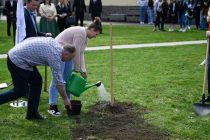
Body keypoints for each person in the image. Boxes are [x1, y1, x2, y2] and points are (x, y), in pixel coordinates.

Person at [0, 37, 76, 120]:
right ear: (66, 54)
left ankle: (32, 113)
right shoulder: (55, 57)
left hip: (22, 58)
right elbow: (58, 82)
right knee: (20, 91)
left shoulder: (57, 45)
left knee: (37, 82)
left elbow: (31, 38)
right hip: (17, 60)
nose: (70, 60)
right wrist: (65, 99)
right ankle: (32, 113)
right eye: (70, 58)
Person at [47, 17, 102, 117]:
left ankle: (68, 103)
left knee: (67, 80)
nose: (95, 36)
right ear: (92, 30)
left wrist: (83, 69)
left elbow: (81, 54)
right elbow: (76, 53)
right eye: (96, 34)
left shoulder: (85, 37)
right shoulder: (80, 33)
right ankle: (52, 106)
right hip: (59, 53)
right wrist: (77, 69)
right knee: (57, 79)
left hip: (67, 54)